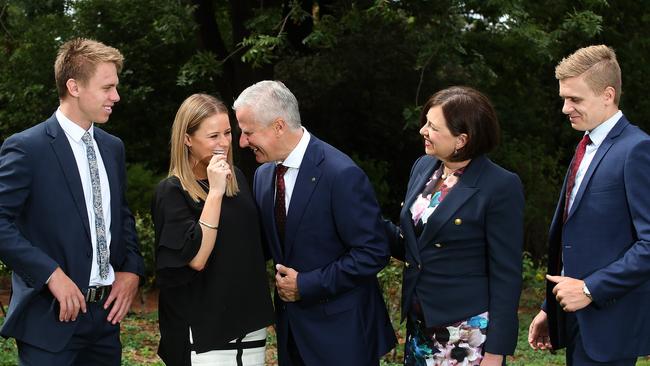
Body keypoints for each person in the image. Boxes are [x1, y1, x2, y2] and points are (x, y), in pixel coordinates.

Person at [0, 38, 144, 365]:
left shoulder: (113, 147)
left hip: (105, 322)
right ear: (74, 87)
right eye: (107, 87)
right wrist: (51, 274)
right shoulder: (27, 148)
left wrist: (131, 270)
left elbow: (120, 217)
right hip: (49, 320)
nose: (116, 97)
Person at [233, 80, 396, 365]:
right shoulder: (263, 176)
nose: (242, 142)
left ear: (279, 126)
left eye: (248, 132)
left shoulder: (340, 174)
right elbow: (266, 245)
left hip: (343, 337)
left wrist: (307, 285)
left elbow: (373, 252)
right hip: (292, 334)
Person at [527, 45, 650, 365]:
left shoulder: (637, 150)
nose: (565, 108)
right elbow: (579, 239)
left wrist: (590, 289)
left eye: (575, 99)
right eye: (564, 98)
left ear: (608, 95)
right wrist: (548, 307)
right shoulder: (586, 146)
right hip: (576, 319)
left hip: (610, 324)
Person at [385, 86, 524, 366]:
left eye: (433, 127)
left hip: (465, 333)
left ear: (462, 139)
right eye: (425, 122)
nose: (423, 130)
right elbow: (414, 246)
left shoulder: (500, 186)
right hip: (420, 322)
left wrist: (496, 353)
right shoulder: (424, 167)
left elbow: (506, 275)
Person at [151, 93, 274, 366]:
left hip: (248, 322)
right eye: (213, 136)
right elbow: (196, 259)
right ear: (186, 139)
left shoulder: (238, 178)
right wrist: (215, 192)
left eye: (228, 133)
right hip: (203, 331)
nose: (224, 143)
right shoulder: (172, 192)